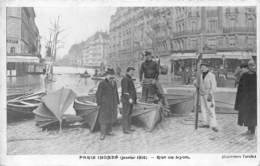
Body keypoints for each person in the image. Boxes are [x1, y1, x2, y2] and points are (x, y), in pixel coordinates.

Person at [234, 60, 257, 140]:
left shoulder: (256, 75)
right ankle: (248, 130)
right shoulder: (244, 75)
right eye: (250, 65)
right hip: (245, 100)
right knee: (246, 115)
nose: (252, 67)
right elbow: (240, 87)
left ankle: (253, 132)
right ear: (248, 66)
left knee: (253, 116)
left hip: (254, 101)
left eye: (253, 65)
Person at [96, 68, 120, 140]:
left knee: (111, 117)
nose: (111, 76)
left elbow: (116, 93)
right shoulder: (102, 83)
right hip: (105, 104)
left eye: (112, 75)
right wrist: (99, 103)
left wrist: (117, 102)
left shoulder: (114, 83)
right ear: (106, 75)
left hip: (113, 103)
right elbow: (98, 94)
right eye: (110, 75)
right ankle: (102, 134)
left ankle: (109, 131)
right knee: (103, 119)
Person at [194, 62, 218, 132]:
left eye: (204, 67)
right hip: (201, 95)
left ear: (208, 68)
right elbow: (196, 83)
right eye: (201, 67)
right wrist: (195, 83)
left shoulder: (211, 75)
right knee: (203, 109)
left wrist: (210, 94)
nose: (202, 68)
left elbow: (214, 86)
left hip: (208, 95)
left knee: (211, 109)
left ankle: (213, 125)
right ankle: (205, 123)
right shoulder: (200, 75)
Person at [121, 66, 137, 134]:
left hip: (130, 100)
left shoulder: (129, 78)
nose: (132, 73)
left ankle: (129, 127)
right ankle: (125, 129)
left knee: (129, 114)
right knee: (126, 114)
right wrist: (129, 98)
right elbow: (125, 91)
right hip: (127, 100)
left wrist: (134, 99)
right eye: (131, 72)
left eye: (133, 72)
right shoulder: (125, 79)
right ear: (127, 72)